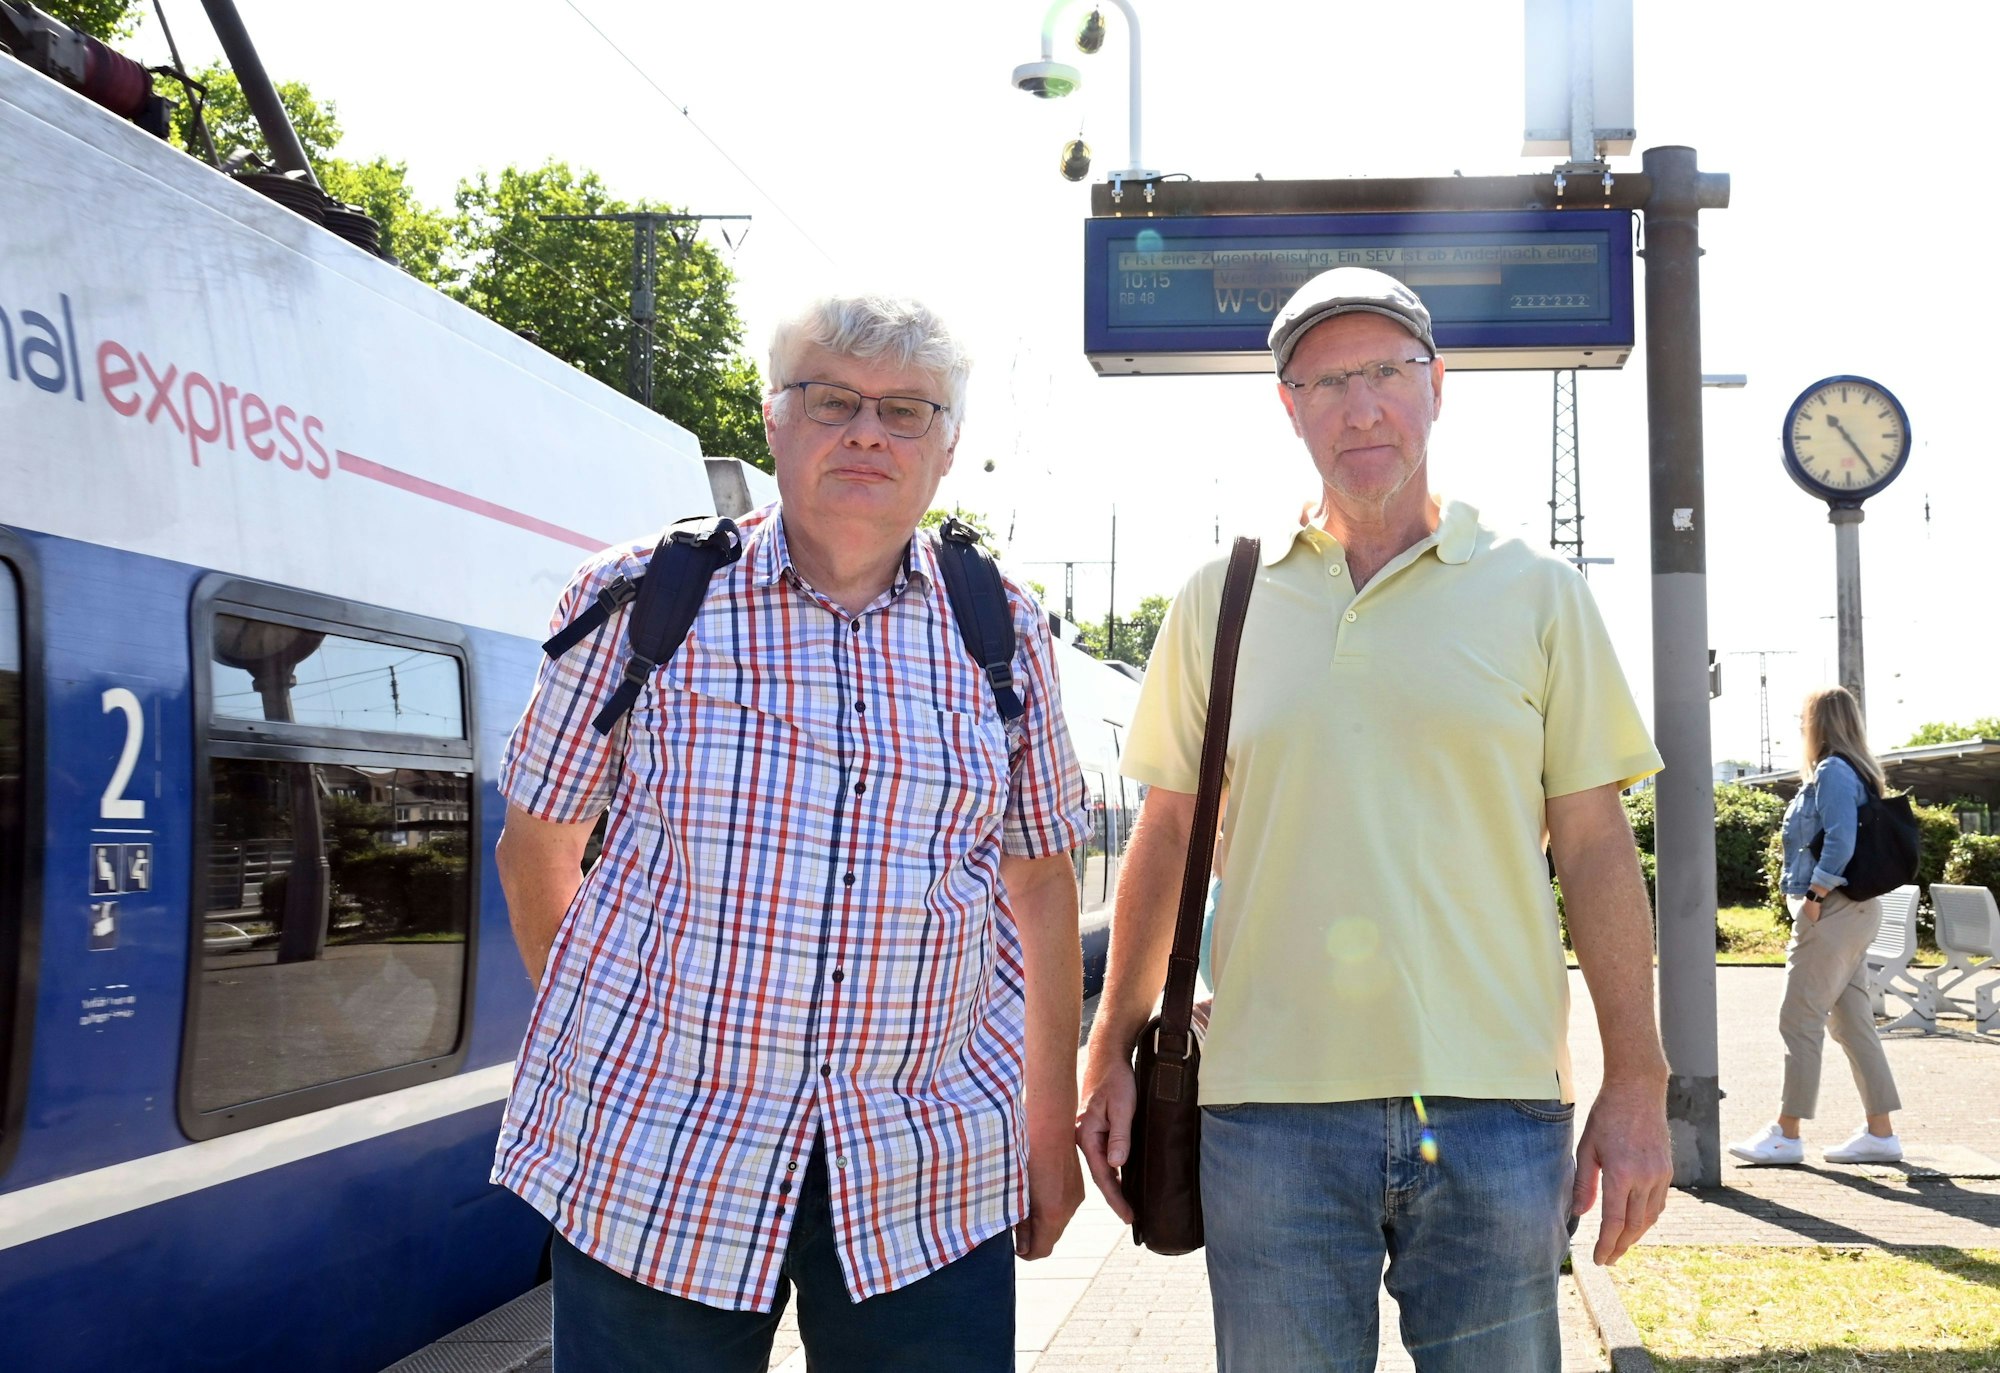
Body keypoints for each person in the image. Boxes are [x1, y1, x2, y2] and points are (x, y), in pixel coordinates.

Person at [1077, 267, 1674, 1371]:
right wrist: (1105, 1046)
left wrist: (1637, 1081)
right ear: (1288, 406)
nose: (1359, 405)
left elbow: (1594, 845)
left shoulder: (1536, 592)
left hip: (1496, 1105)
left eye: (1386, 373)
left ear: (1436, 387)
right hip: (1265, 1117)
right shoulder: (1221, 596)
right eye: (1325, 380)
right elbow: (1167, 835)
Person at [492, 293, 1090, 1372]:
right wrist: (609, 1053)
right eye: (831, 399)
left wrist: (1051, 1118)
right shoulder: (642, 601)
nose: (867, 431)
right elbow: (536, 843)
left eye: (907, 412)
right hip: (658, 1163)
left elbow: (1044, 877)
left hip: (924, 1174)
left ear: (945, 451)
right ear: (774, 420)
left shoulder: (1001, 629)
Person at [1728, 686, 1904, 1166]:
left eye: (1802, 718)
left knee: (1799, 1020)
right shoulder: (1859, 772)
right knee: (1851, 1023)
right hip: (1855, 912)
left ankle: (1786, 1134)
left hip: (1835, 912)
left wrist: (1814, 896)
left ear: (1817, 723)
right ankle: (1881, 1134)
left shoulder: (1832, 772)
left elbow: (1841, 840)